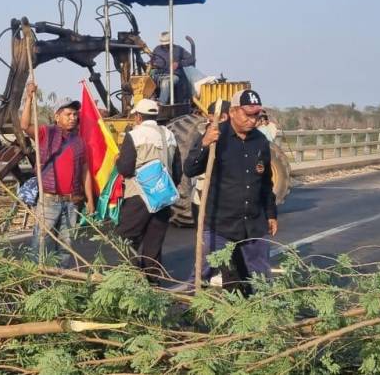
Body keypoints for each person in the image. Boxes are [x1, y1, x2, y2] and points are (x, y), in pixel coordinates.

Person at [184, 89, 278, 296]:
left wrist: (271, 214)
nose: (253, 120)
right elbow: (190, 169)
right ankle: (187, 310)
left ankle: (262, 312)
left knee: (260, 276)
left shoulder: (260, 141)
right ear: (234, 111)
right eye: (248, 114)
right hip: (220, 222)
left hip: (253, 223)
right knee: (202, 274)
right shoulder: (217, 135)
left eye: (256, 115)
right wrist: (205, 144)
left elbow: (265, 182)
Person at [20, 83, 94, 267]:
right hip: (49, 200)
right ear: (57, 116)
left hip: (71, 202)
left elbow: (85, 172)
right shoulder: (46, 133)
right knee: (41, 244)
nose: (73, 118)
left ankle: (60, 283)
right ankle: (39, 283)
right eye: (68, 114)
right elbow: (24, 125)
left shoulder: (79, 142)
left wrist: (90, 199)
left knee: (66, 246)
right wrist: (29, 98)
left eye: (75, 114)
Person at [115, 99, 182, 283]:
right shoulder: (169, 135)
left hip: (139, 196)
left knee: (125, 238)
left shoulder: (134, 135)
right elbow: (178, 170)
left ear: (138, 116)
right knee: (154, 242)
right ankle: (153, 282)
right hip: (163, 197)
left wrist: (117, 160)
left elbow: (126, 169)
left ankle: (130, 280)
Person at [183, 101, 230, 288]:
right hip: (203, 198)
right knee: (206, 241)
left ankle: (218, 274)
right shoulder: (204, 136)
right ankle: (197, 283)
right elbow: (190, 167)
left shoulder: (233, 140)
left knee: (221, 243)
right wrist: (205, 143)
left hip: (221, 199)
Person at [150, 31, 195, 105]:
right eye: (164, 44)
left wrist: (179, 64)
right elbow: (151, 61)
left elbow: (192, 59)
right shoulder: (157, 49)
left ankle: (161, 103)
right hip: (159, 74)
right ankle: (149, 101)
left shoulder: (179, 49)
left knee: (166, 82)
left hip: (174, 75)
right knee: (145, 80)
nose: (165, 46)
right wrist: (152, 64)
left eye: (167, 44)